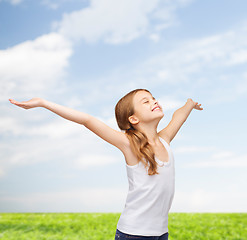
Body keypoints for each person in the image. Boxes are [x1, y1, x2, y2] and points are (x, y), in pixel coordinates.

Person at [9, 88, 203, 240]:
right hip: (133, 234)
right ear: (133, 119)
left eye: (153, 98)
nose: (154, 101)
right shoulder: (129, 144)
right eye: (146, 101)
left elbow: (179, 116)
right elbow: (87, 120)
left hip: (161, 233)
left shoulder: (165, 140)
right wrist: (43, 103)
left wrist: (189, 104)